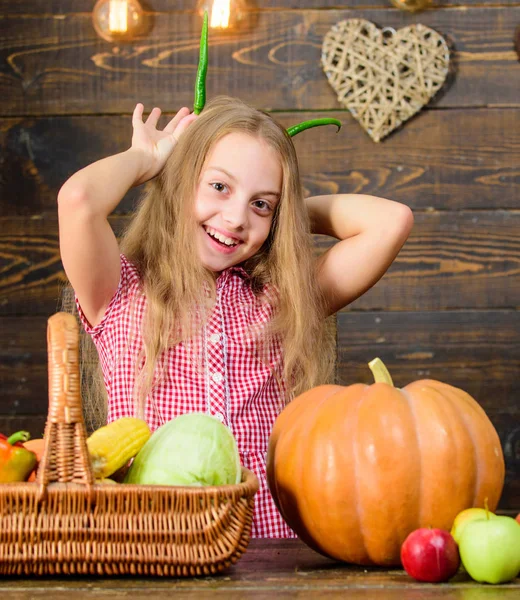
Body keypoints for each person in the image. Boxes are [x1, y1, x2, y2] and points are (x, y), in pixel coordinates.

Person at [57, 95, 414, 538]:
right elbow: (77, 200)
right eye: (219, 187)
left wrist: (285, 220)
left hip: (269, 547)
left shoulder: (282, 303)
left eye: (261, 204)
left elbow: (391, 222)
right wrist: (145, 159)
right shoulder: (120, 289)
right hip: (152, 540)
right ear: (181, 181)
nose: (235, 218)